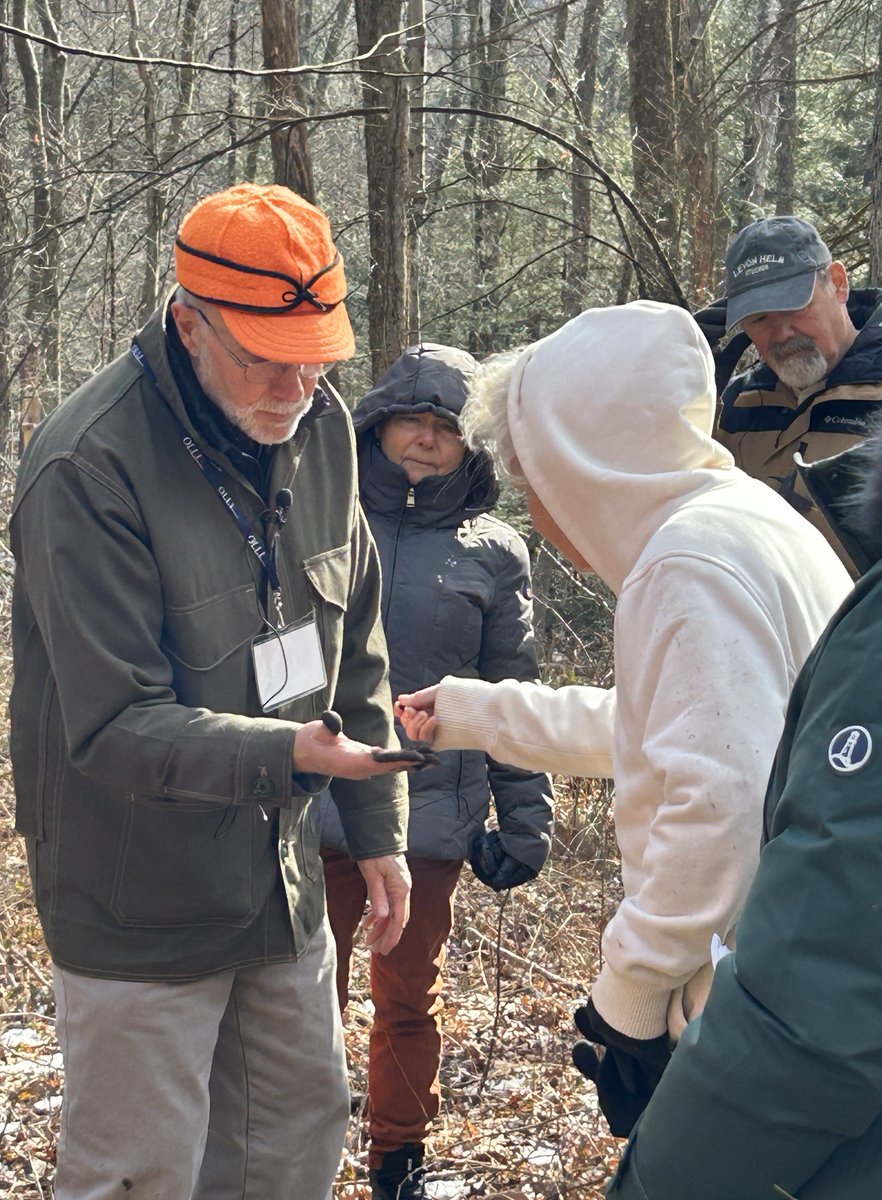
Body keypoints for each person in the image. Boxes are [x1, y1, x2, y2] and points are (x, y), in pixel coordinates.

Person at [9, 183, 416, 1200]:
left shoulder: (317, 429)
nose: (293, 387)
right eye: (264, 360)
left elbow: (349, 630)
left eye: (315, 360)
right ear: (188, 324)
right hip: (137, 892)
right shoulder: (87, 463)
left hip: (276, 882)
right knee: (140, 1174)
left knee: (292, 1147)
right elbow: (112, 724)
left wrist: (375, 826)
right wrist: (287, 756)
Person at [395, 301, 852, 1137]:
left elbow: (717, 803)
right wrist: (478, 711)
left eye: (537, 483)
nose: (536, 512)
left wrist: (629, 1004)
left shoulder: (688, 565)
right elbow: (671, 731)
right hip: (809, 971)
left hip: (753, 1006)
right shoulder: (743, 521)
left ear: (584, 463)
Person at [604, 432, 882, 1200]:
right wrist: (477, 712)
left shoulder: (686, 558)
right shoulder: (763, 522)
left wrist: (651, 1182)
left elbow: (816, 1009)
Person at [319, 343, 554, 1200]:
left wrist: (524, 819)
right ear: (375, 426)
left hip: (429, 817)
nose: (424, 439)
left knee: (407, 1000)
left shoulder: (494, 550)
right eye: (409, 420)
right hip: (315, 807)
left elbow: (513, 688)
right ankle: (290, 1146)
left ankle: (397, 1160)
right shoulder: (321, 513)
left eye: (446, 427)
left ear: (470, 447)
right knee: (304, 999)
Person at [697, 214, 882, 575]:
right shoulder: (735, 406)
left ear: (838, 284)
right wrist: (686, 381)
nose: (781, 334)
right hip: (754, 624)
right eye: (759, 318)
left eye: (795, 306)